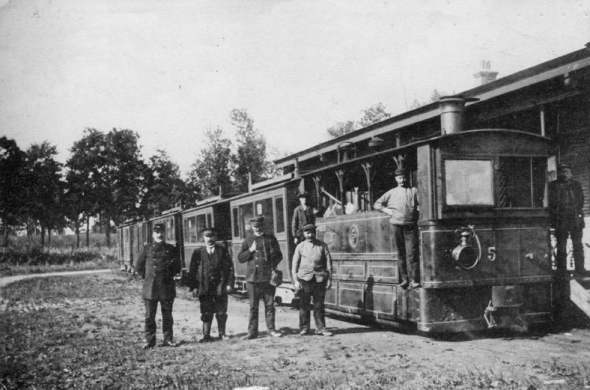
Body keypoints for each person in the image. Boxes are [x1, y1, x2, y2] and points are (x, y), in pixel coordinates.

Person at [135, 223, 181, 349]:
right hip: (150, 288)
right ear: (153, 234)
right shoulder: (147, 249)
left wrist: (166, 276)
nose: (160, 234)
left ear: (165, 233)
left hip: (166, 287)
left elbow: (177, 267)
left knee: (167, 315)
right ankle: (150, 341)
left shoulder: (171, 249)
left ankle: (168, 339)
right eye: (157, 232)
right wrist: (149, 278)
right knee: (150, 316)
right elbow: (138, 266)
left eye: (162, 232)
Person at [374, 166, 420, 289]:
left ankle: (414, 280)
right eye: (400, 178)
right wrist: (388, 211)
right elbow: (377, 204)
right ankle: (404, 279)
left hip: (410, 226)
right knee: (401, 253)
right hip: (396, 225)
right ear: (396, 179)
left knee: (412, 253)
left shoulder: (414, 191)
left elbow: (421, 203)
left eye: (404, 177)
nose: (402, 180)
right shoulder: (391, 192)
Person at [238, 216, 284, 339]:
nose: (257, 229)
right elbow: (240, 258)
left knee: (270, 305)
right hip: (252, 279)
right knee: (253, 306)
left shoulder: (270, 238)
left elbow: (279, 255)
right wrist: (251, 250)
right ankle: (252, 332)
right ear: (252, 227)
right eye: (255, 227)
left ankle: (271, 330)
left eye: (259, 226)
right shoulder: (248, 239)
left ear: (263, 226)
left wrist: (272, 265)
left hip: (267, 278)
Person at [187, 227, 234, 342]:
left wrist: (229, 284)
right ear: (203, 238)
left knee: (221, 311)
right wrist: (193, 287)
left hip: (220, 285)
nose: (209, 239)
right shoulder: (198, 252)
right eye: (207, 236)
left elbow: (230, 268)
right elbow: (192, 270)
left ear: (215, 237)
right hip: (204, 286)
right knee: (206, 311)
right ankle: (206, 335)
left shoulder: (222, 250)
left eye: (212, 236)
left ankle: (222, 334)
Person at [291, 223, 333, 336]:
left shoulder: (322, 246)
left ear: (315, 233)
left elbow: (329, 264)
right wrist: (295, 281)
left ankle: (321, 328)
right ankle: (304, 328)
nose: (310, 235)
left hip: (319, 279)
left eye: (312, 233)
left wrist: (329, 279)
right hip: (304, 279)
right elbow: (294, 266)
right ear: (304, 234)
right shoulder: (300, 247)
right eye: (307, 233)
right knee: (304, 305)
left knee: (319, 305)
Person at [549, 163, 587, 277]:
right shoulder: (553, 186)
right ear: (558, 173)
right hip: (561, 218)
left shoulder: (576, 185)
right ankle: (562, 270)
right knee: (561, 245)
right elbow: (552, 202)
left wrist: (575, 210)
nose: (564, 174)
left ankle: (580, 269)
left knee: (578, 244)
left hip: (575, 218)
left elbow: (581, 200)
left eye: (566, 172)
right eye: (562, 172)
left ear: (570, 173)